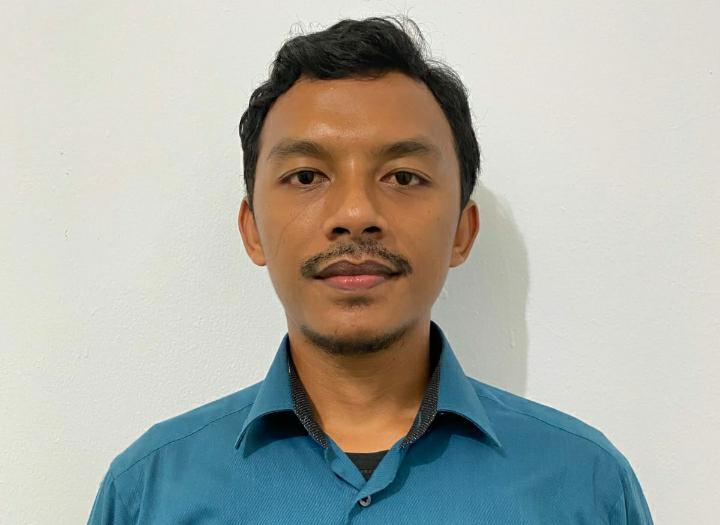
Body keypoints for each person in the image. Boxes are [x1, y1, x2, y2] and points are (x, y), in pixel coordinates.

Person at [88, 16, 653, 524]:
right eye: (307, 177)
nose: (356, 214)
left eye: (403, 177)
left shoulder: (585, 486)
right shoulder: (149, 492)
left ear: (462, 231)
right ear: (252, 229)